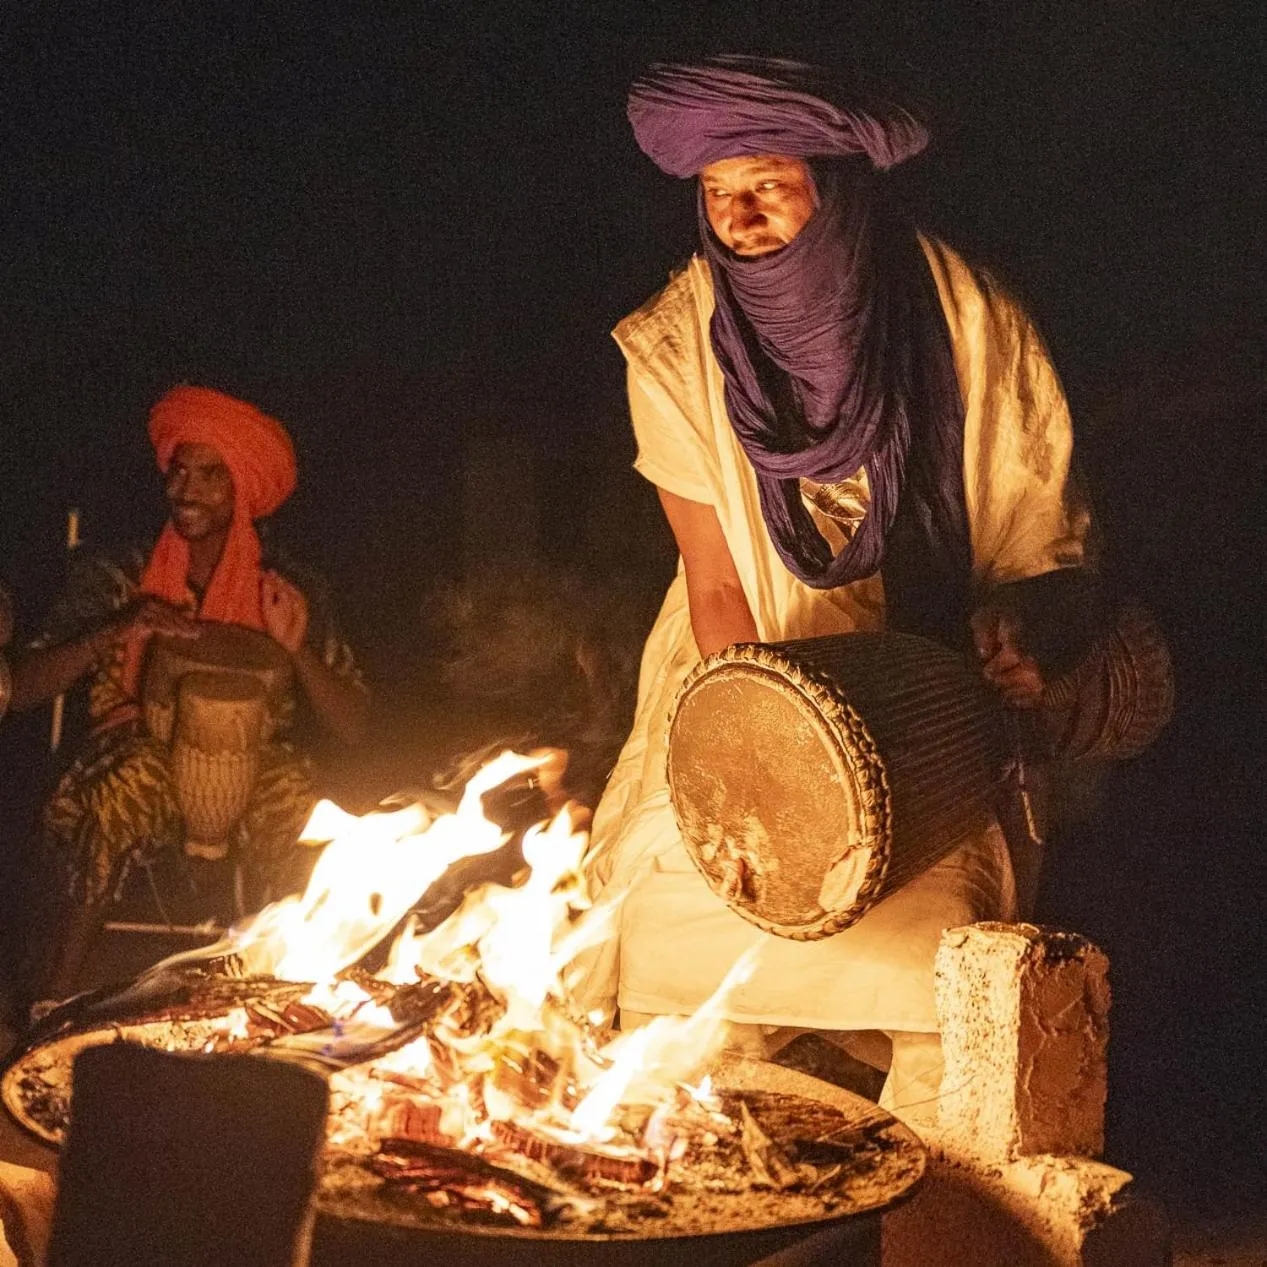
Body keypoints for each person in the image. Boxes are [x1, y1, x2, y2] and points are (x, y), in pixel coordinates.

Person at [578, 57, 1100, 1123]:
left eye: (767, 181)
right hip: (743, 674)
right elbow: (716, 578)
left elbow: (1043, 533)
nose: (742, 214)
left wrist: (1013, 632)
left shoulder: (964, 317)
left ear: (835, 183)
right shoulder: (673, 345)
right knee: (677, 924)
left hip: (934, 689)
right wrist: (761, 777)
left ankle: (931, 1202)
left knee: (938, 952)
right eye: (717, 194)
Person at [10, 385, 369, 1001]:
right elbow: (19, 689)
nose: (187, 489)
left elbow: (355, 725)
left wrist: (296, 649)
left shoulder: (286, 588)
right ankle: (52, 999)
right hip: (136, 749)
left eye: (210, 474)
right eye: (179, 471)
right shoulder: (119, 574)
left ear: (242, 488)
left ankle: (292, 999)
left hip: (255, 759)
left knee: (307, 814)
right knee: (119, 794)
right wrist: (119, 627)